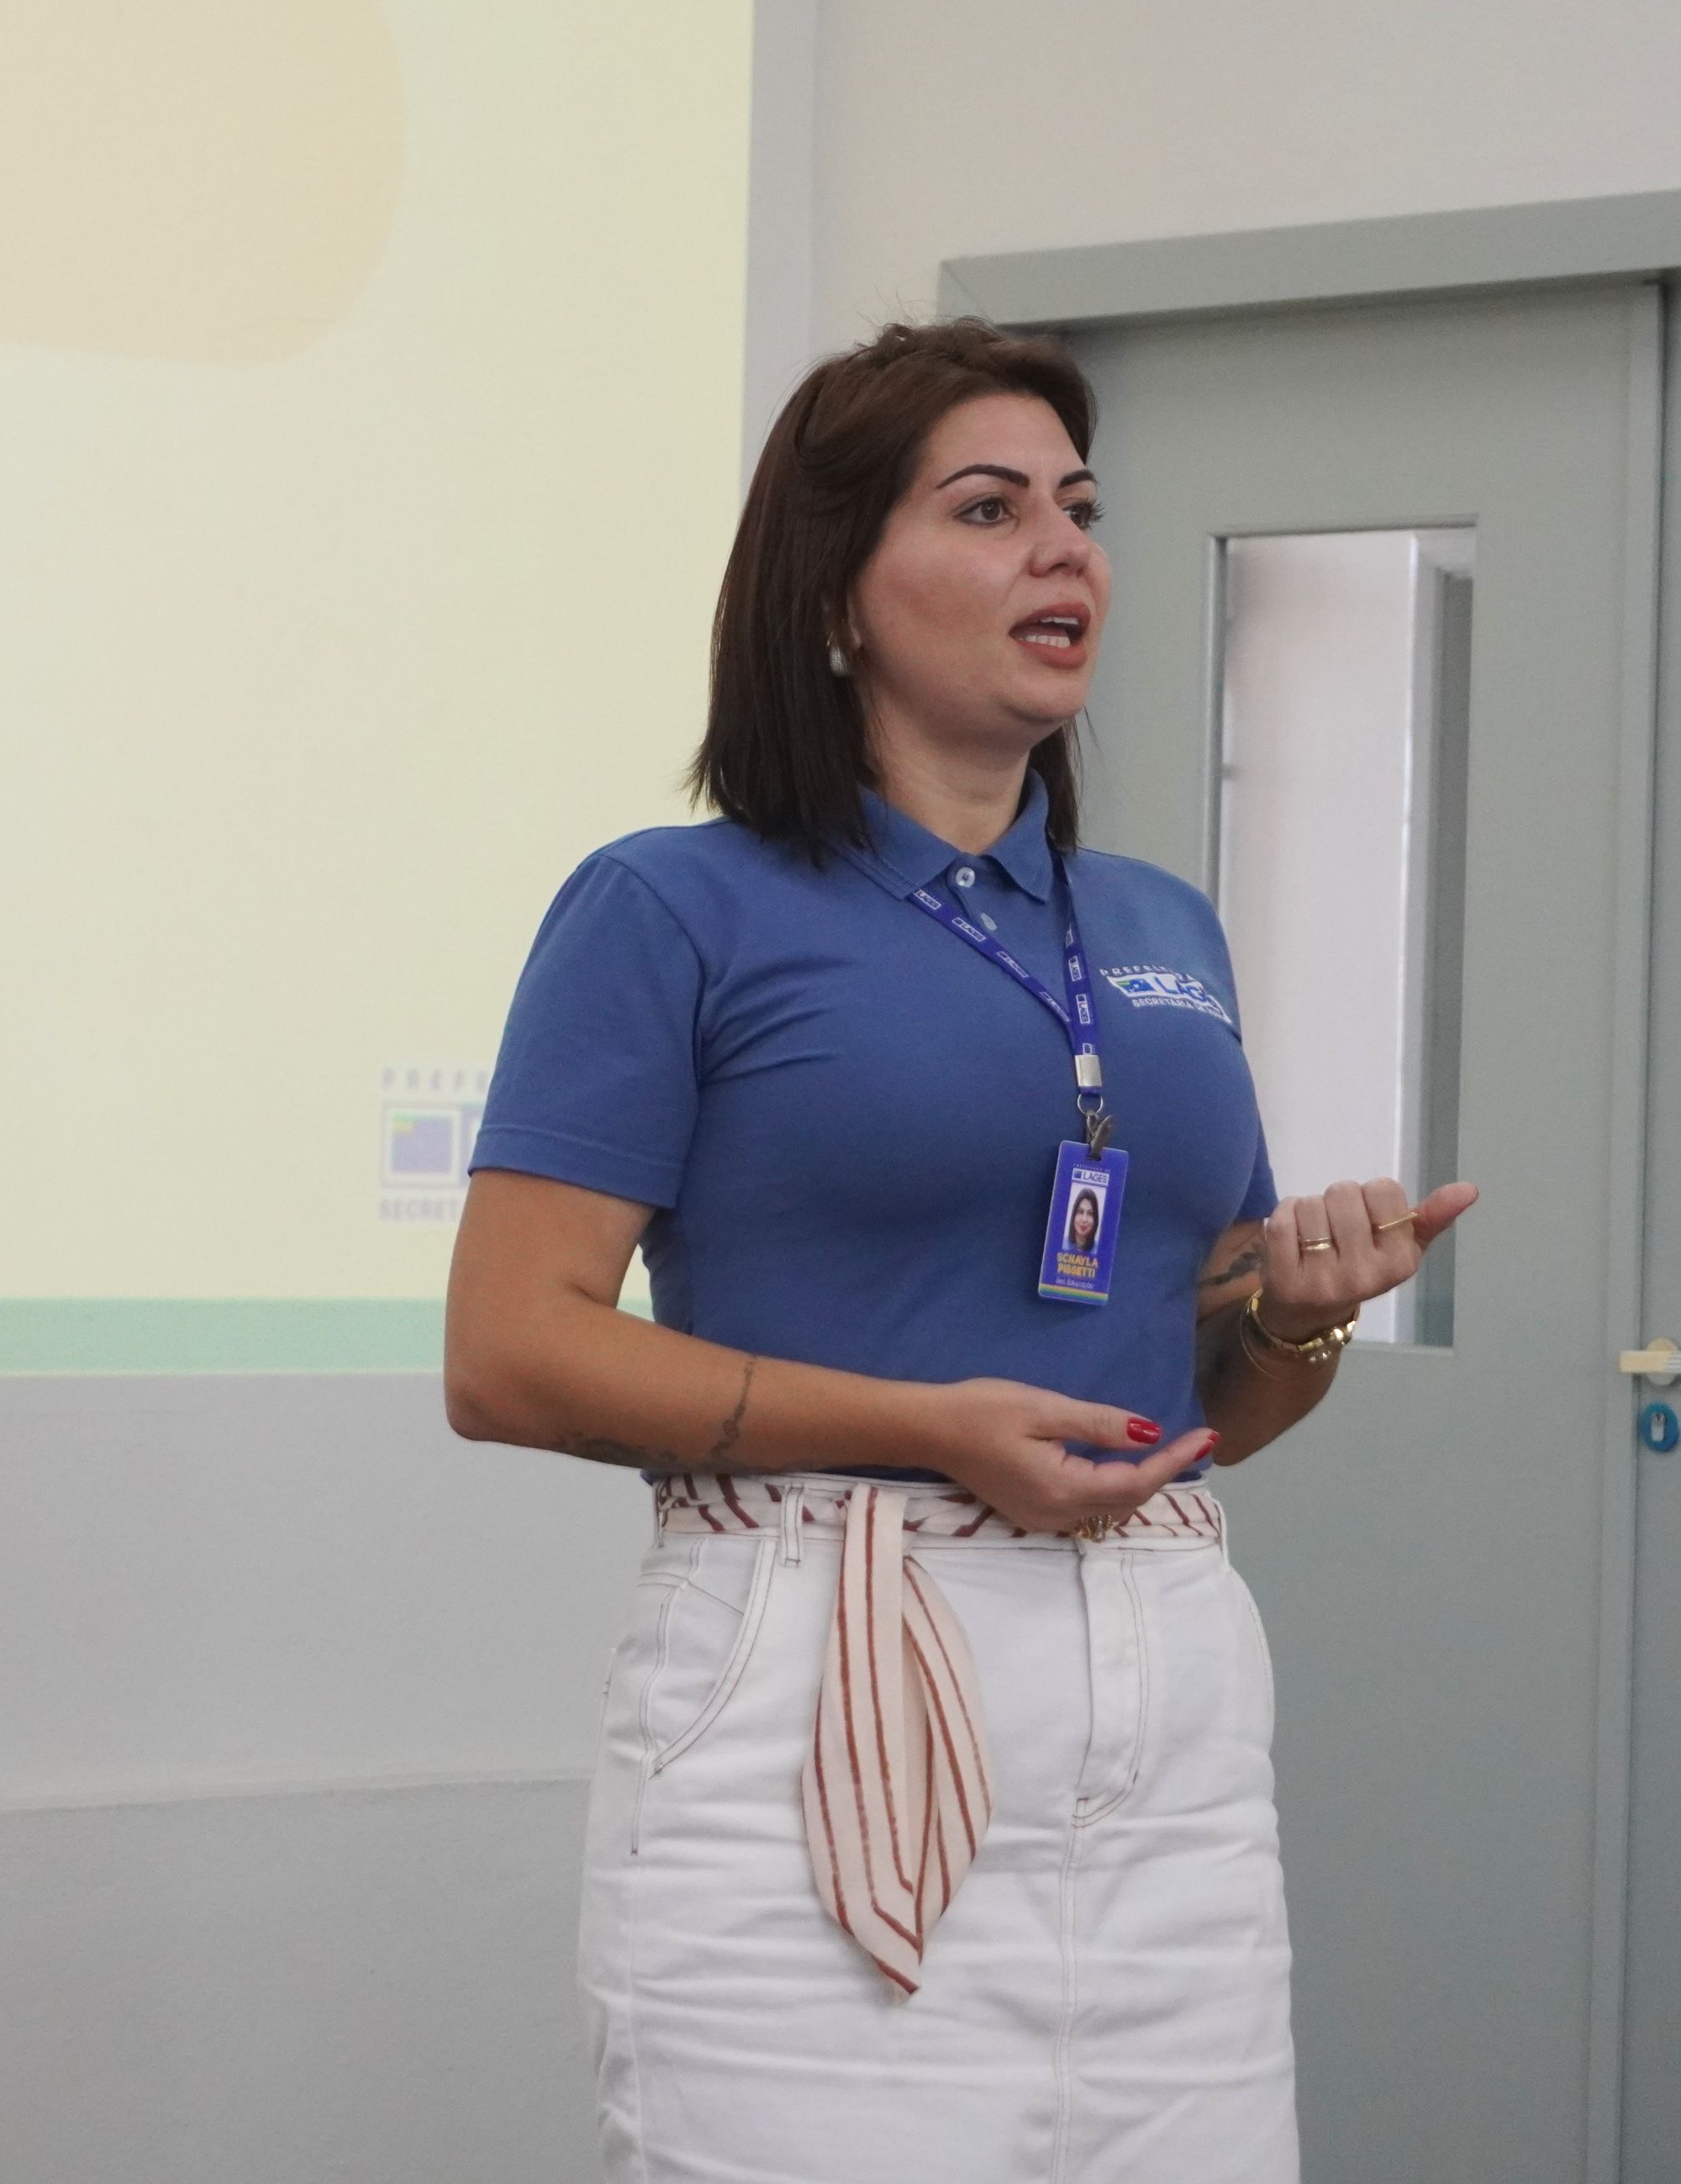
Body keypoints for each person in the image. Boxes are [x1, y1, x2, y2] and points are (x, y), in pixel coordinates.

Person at [443, 319, 1474, 2184]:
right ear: (835, 593)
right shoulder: (669, 906)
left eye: (1079, 509)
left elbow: (1197, 1400)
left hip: (1163, 1706)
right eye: (989, 510)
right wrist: (924, 1427)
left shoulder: (1158, 925)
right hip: (818, 1666)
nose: (1063, 549)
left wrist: (1297, 1320)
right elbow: (507, 1351)